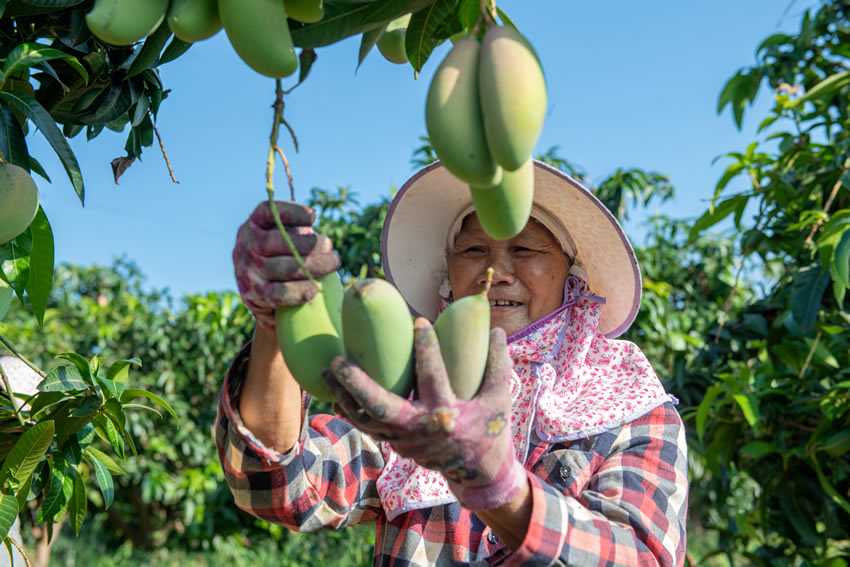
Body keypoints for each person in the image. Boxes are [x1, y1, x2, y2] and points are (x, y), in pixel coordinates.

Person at [216, 160, 689, 566]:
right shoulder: (411, 388)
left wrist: (497, 486)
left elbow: (642, 556)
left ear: (574, 278)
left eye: (524, 249)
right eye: (473, 250)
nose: (496, 272)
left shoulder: (628, 402)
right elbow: (282, 487)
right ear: (449, 277)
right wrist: (277, 318)